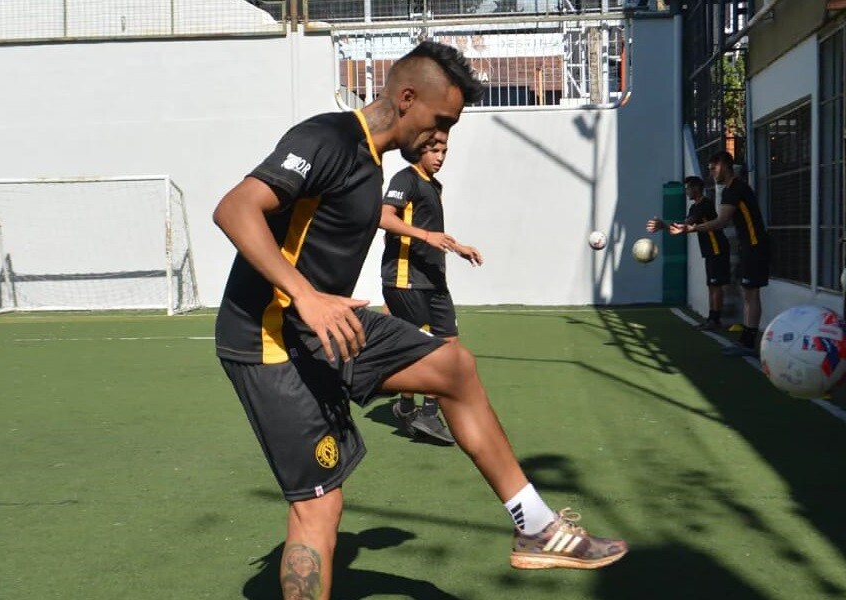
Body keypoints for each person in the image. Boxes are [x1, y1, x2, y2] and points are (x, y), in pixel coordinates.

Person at [212, 41, 627, 600]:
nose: (442, 135)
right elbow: (235, 208)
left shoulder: (373, 162)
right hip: (271, 340)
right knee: (319, 507)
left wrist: (319, 302)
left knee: (454, 367)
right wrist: (306, 295)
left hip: (328, 327)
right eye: (441, 121)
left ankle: (535, 527)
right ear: (406, 98)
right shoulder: (327, 138)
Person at [379, 135, 483, 445]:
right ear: (418, 151)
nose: (440, 157)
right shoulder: (406, 178)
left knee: (449, 347)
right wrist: (426, 236)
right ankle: (423, 412)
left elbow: (431, 231)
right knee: (426, 348)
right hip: (406, 278)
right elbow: (383, 218)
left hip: (434, 280)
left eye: (444, 151)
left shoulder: (434, 185)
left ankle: (410, 407)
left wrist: (457, 247)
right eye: (434, 151)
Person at [670, 152, 770, 355]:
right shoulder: (731, 190)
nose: (711, 173)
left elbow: (721, 221)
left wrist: (691, 228)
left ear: (724, 165)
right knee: (747, 292)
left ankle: (748, 342)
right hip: (748, 246)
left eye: (713, 168)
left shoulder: (735, 189)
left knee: (751, 293)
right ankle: (746, 340)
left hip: (755, 245)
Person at [647, 175, 730, 331]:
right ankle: (711, 319)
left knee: (716, 285)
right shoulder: (693, 207)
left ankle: (715, 320)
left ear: (696, 188)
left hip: (717, 248)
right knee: (711, 286)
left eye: (688, 188)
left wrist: (664, 225)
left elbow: (686, 225)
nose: (686, 192)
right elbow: (682, 227)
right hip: (709, 250)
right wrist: (664, 226)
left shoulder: (705, 204)